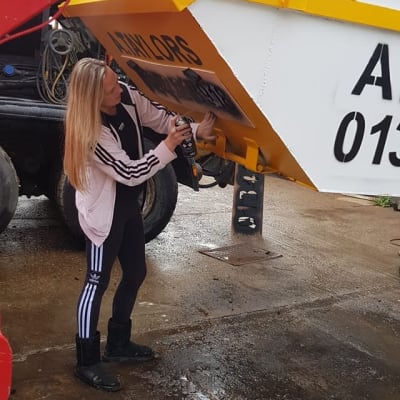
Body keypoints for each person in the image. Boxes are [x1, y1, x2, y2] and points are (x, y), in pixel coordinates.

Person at [63, 57, 216, 392]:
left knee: (135, 273)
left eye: (116, 83)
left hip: (128, 205)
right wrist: (170, 146)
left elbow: (161, 119)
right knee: (95, 282)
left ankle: (118, 342)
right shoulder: (91, 133)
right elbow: (130, 171)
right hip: (105, 212)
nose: (119, 89)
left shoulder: (127, 97)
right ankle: (86, 361)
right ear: (92, 99)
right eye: (110, 90)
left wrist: (192, 130)